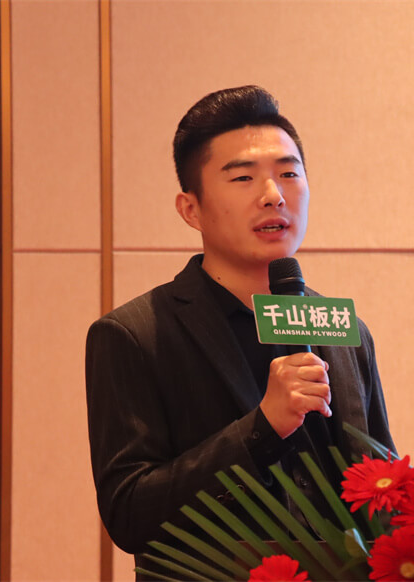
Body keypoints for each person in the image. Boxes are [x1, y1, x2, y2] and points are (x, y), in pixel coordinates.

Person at [85, 86, 394, 566]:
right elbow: (130, 515)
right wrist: (262, 427)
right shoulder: (135, 334)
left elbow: (380, 487)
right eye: (244, 178)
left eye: (288, 173)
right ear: (191, 209)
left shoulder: (346, 330)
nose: (273, 196)